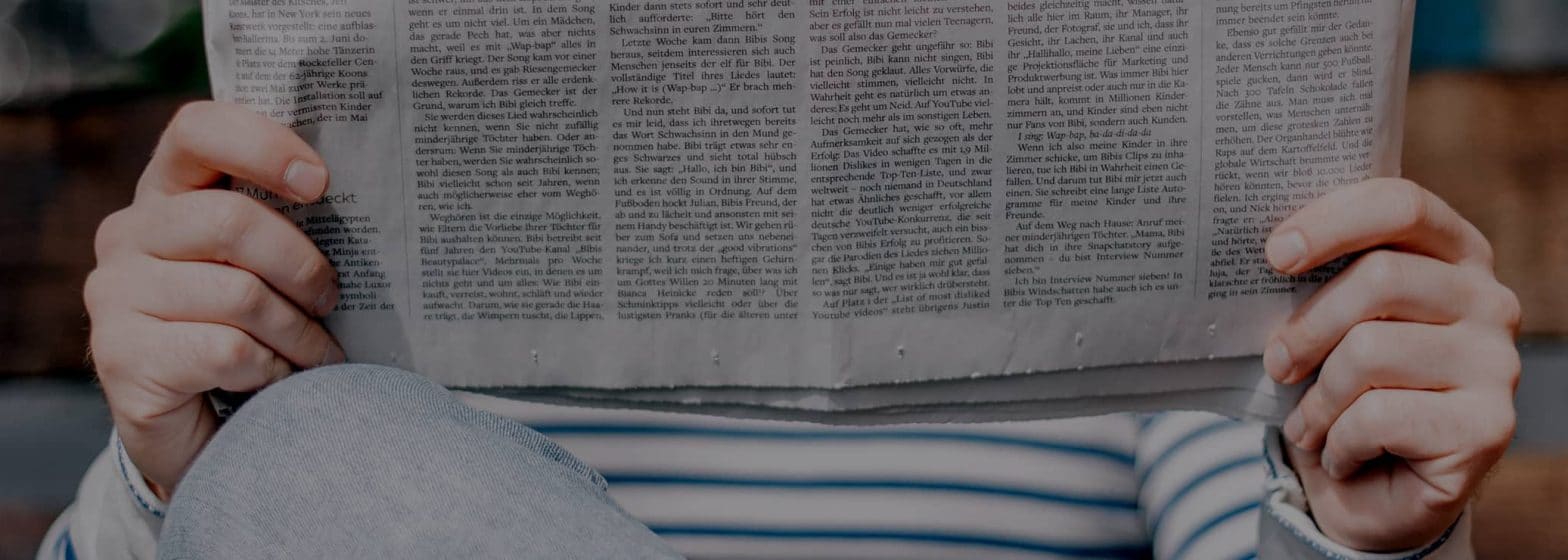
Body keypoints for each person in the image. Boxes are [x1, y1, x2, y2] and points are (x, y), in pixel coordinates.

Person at [39, 102, 1519, 559]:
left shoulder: (1139, 192)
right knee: (317, 460)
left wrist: (1364, 534)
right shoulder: (338, 251)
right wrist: (174, 473)